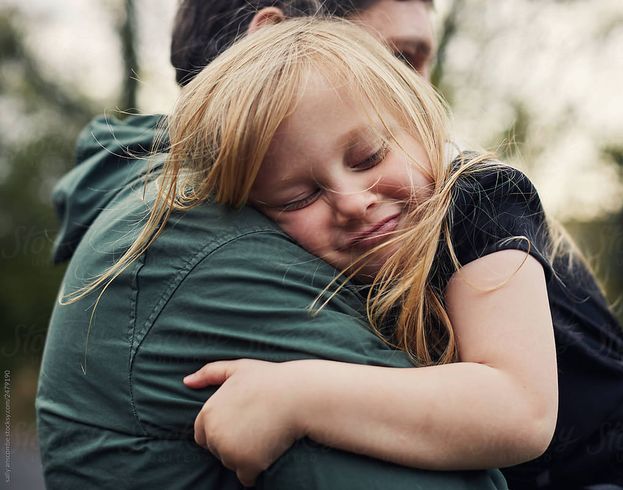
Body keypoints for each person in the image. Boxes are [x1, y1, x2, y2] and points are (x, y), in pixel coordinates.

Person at [162, 19, 623, 490]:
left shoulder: (479, 201)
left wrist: (298, 396)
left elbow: (520, 410)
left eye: (368, 157)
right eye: (298, 199)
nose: (353, 202)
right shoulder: (317, 262)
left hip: (608, 464)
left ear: (420, 125)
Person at [39, 1, 511, 489]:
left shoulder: (476, 222)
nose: (424, 97)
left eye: (369, 155)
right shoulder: (203, 239)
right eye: (398, 60)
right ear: (268, 37)